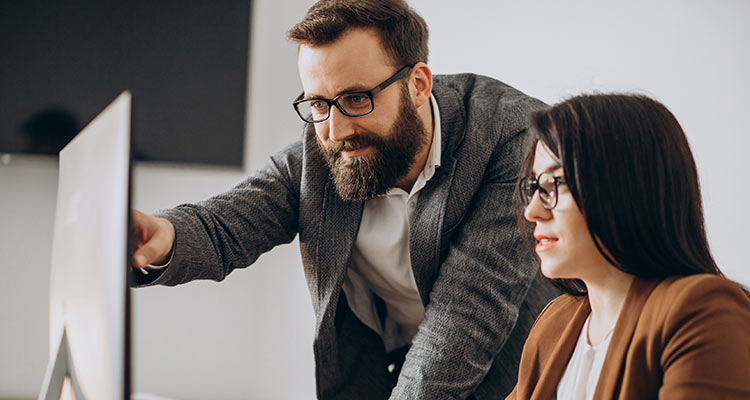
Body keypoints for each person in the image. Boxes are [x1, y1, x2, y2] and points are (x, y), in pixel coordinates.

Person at [130, 0, 558, 398]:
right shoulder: (323, 152)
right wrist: (161, 235)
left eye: (356, 99)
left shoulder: (512, 136)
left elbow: (465, 321)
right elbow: (225, 225)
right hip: (379, 372)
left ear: (418, 84)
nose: (334, 132)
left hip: (515, 376)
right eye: (318, 103)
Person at [507, 93, 750, 399]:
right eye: (533, 187)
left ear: (622, 188)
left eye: (554, 184)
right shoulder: (556, 322)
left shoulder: (702, 311)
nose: (532, 211)